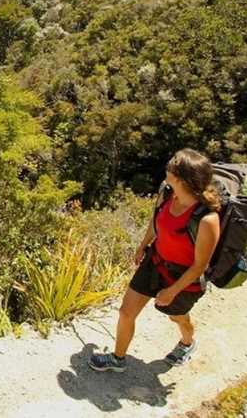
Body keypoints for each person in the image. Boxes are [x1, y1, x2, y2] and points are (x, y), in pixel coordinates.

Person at [89, 148, 221, 372]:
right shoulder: (167, 193)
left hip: (182, 277)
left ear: (181, 178)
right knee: (126, 312)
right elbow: (156, 221)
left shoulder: (207, 219)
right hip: (155, 261)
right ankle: (117, 359)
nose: (166, 169)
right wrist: (142, 246)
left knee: (177, 318)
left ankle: (187, 343)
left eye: (171, 167)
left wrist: (172, 291)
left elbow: (200, 265)